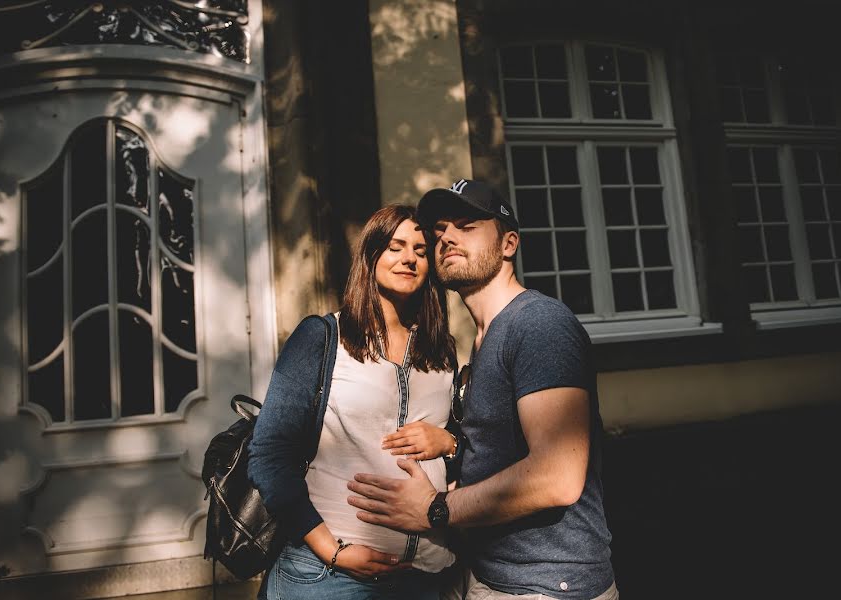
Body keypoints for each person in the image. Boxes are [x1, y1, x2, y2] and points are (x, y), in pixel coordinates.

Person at [346, 180, 618, 600]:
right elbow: (498, 453)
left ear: (509, 244)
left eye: (467, 225)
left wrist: (434, 509)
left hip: (544, 586)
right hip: (485, 572)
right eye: (440, 231)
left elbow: (558, 476)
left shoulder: (538, 325)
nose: (447, 238)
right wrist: (452, 451)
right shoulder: (482, 340)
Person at [247, 204, 462, 600]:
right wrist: (333, 551)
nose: (409, 258)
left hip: (427, 575)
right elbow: (268, 454)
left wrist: (448, 442)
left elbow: (470, 447)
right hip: (329, 576)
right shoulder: (322, 338)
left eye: (419, 249)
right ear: (371, 255)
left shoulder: (442, 351)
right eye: (396, 247)